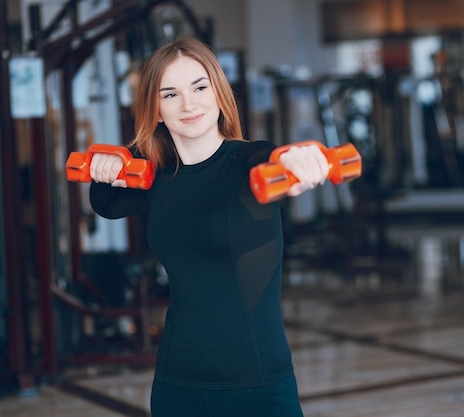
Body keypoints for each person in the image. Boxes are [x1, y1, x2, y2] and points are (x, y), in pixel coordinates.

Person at [87, 36, 329, 417]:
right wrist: (107, 167)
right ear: (156, 109)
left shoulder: (247, 162)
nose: (189, 104)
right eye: (170, 94)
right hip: (177, 382)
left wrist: (301, 157)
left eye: (199, 87)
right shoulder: (159, 177)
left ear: (218, 92)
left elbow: (275, 158)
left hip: (256, 383)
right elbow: (106, 202)